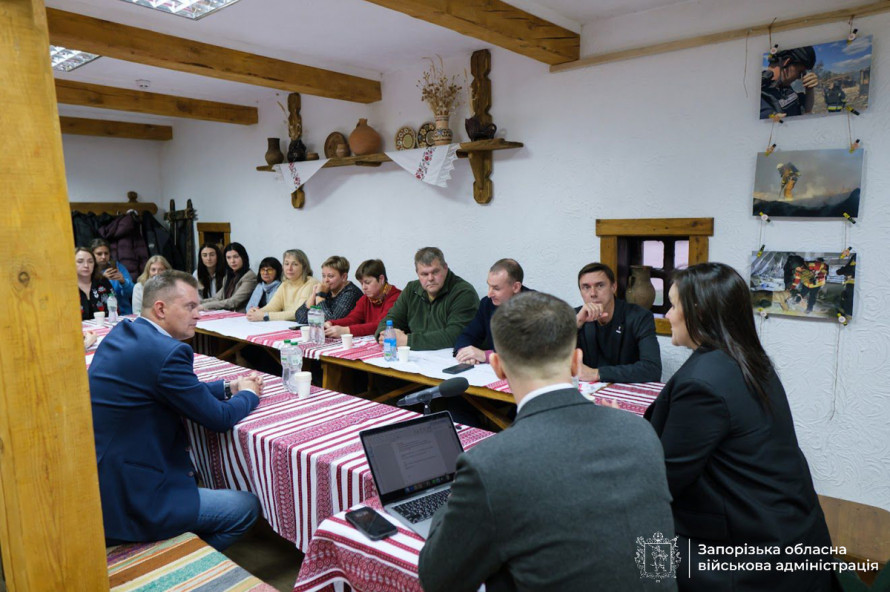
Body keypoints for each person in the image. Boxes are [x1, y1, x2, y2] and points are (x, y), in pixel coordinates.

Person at [419, 292, 676, 592]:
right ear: (576, 361)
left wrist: (453, 496)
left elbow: (438, 579)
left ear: (498, 367)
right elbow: (653, 559)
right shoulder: (641, 432)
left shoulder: (489, 466)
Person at [645, 262, 838, 591]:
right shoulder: (746, 357)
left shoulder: (703, 383)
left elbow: (664, 480)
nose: (666, 314)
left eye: (673, 305)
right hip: (791, 523)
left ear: (698, 312)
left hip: (747, 548)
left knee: (640, 545)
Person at [89, 271, 263, 550]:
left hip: (105, 474)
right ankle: (176, 556)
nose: (199, 314)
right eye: (190, 307)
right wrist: (249, 396)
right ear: (161, 308)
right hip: (136, 492)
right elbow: (219, 418)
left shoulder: (125, 332)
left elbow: (172, 391)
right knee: (247, 507)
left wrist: (228, 387)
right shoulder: (168, 353)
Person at [376, 247, 478, 350]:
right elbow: (388, 321)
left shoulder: (463, 292)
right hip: (415, 359)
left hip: (451, 360)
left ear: (445, 268)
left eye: (435, 272)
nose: (430, 278)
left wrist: (407, 340)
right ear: (417, 273)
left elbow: (456, 335)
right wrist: (385, 334)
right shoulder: (411, 289)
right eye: (424, 274)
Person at [575, 262, 661, 383]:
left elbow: (652, 369)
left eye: (600, 285)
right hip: (588, 393)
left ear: (613, 287)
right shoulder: (576, 317)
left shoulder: (639, 317)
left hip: (626, 393)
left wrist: (597, 373)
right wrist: (576, 324)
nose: (593, 293)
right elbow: (551, 362)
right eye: (586, 287)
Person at [454, 258, 531, 365]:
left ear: (516, 287)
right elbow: (468, 334)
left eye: (496, 288)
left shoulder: (536, 309)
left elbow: (528, 354)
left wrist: (486, 356)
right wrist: (465, 352)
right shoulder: (487, 303)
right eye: (489, 286)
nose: (489, 294)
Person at [324, 259, 401, 337]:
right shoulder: (366, 298)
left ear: (381, 279)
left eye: (367, 282)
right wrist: (331, 323)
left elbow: (380, 325)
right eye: (361, 283)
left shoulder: (396, 297)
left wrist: (346, 330)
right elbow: (353, 319)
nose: (364, 287)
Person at [245, 249, 320, 322]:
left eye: (295, 264)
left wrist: (265, 315)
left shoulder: (311, 283)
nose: (289, 268)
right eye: (286, 264)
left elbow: (297, 313)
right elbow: (273, 306)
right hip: (287, 326)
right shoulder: (285, 284)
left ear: (304, 267)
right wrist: (256, 312)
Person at [294, 255, 362, 324]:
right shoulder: (326, 290)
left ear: (344, 277)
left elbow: (333, 321)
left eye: (330, 276)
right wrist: (314, 294)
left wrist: (320, 296)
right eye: (323, 276)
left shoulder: (351, 293)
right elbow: (300, 318)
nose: (326, 280)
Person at [760, 46, 818, 119]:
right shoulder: (757, 91)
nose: (799, 78)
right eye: (800, 72)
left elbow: (807, 109)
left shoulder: (784, 87)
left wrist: (809, 89)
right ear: (786, 62)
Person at [201, 242, 257, 312]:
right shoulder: (229, 276)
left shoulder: (250, 277)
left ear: (243, 257)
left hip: (242, 317)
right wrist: (197, 303)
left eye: (236, 257)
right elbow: (217, 298)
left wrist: (203, 306)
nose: (232, 261)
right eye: (228, 258)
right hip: (227, 315)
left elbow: (233, 302)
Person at [91, 238, 135, 315]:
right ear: (92, 254)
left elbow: (131, 293)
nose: (104, 257)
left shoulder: (118, 267)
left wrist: (123, 282)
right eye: (99, 254)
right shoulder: (89, 270)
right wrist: (102, 279)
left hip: (123, 313)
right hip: (100, 316)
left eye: (106, 253)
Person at [76, 246, 113, 321]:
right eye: (80, 261)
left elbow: (115, 310)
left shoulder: (103, 282)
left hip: (104, 328)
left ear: (94, 264)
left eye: (90, 261)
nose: (86, 265)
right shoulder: (66, 287)